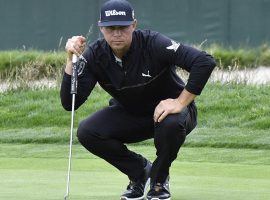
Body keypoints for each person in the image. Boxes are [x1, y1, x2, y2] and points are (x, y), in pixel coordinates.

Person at [60, 0, 216, 199]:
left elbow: (204, 61)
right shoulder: (96, 55)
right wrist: (70, 60)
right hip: (132, 115)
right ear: (101, 28)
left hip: (174, 115)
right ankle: (140, 171)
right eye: (110, 28)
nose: (117, 33)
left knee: (170, 122)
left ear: (133, 25)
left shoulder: (153, 43)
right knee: (88, 131)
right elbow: (69, 102)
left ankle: (159, 181)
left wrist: (179, 102)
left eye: (123, 27)